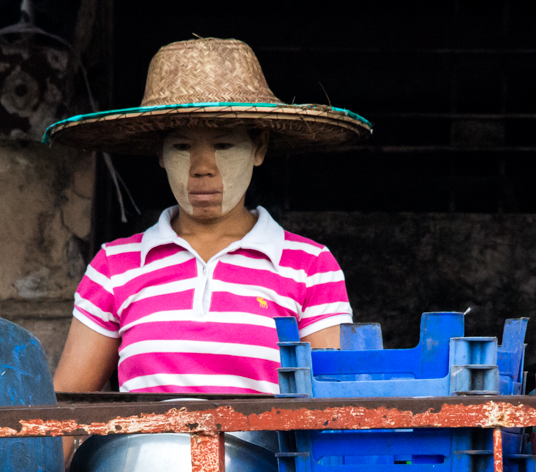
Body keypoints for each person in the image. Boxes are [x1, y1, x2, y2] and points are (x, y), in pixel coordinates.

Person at [44, 37, 372, 398]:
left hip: (265, 456)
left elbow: (333, 404)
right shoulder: (114, 266)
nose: (203, 168)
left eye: (224, 146)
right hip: (141, 455)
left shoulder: (310, 266)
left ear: (258, 148)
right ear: (161, 153)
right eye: (182, 147)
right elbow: (65, 408)